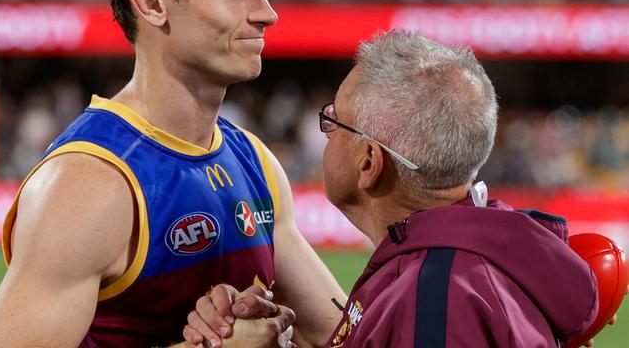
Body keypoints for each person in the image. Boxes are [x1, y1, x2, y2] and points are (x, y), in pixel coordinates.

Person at [0, 0, 344, 348]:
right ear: (151, 1)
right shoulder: (89, 185)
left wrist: (278, 328)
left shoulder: (255, 161)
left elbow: (343, 337)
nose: (266, 12)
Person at [183, 30, 600, 347]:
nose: (325, 130)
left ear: (369, 163)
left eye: (335, 120)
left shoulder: (434, 300)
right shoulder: (471, 263)